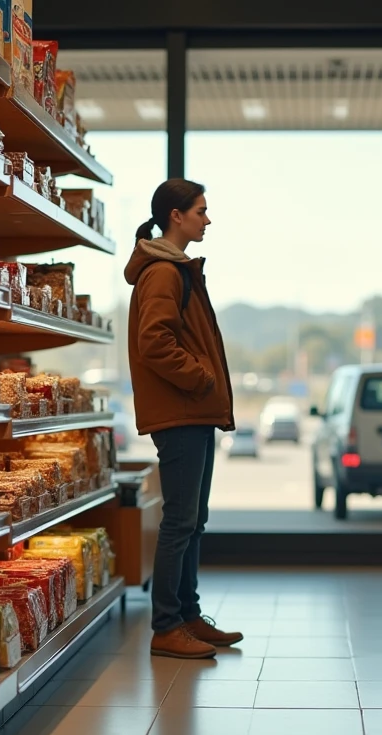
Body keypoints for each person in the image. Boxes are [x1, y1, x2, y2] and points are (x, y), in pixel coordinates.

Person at [125, 178, 242, 660]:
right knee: (180, 520)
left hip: (193, 410)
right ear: (176, 216)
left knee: (194, 520)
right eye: (200, 210)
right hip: (181, 411)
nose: (207, 219)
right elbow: (154, 342)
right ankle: (167, 626)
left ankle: (188, 616)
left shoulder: (177, 268)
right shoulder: (163, 272)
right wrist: (200, 377)